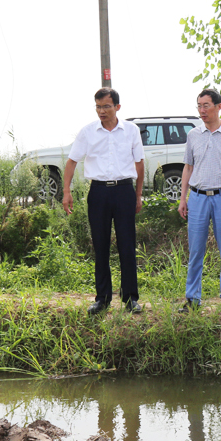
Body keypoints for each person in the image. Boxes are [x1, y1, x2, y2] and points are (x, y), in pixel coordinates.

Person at [63, 87, 144, 316]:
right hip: (98, 193)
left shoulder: (131, 131)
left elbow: (139, 164)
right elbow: (71, 161)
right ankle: (102, 299)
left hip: (124, 191)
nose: (102, 111)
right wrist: (66, 191)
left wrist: (138, 195)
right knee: (100, 246)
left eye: (106, 106)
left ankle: (130, 299)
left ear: (117, 107)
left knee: (127, 245)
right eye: (98, 107)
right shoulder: (88, 132)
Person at [177, 89, 221, 314]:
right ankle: (192, 299)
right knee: (195, 251)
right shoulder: (193, 135)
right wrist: (183, 198)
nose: (202, 110)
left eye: (206, 105)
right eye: (199, 106)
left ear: (219, 107)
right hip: (197, 198)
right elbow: (188, 167)